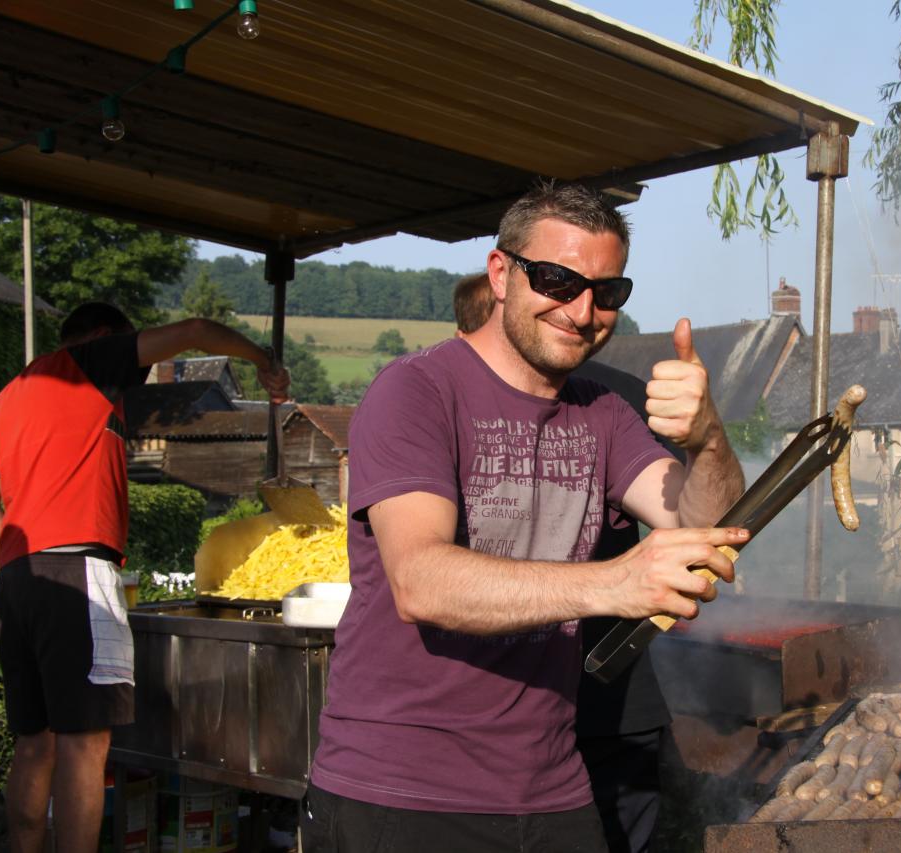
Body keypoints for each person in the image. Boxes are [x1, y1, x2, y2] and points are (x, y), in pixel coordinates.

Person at [304, 182, 746, 852]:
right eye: (557, 280)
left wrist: (708, 437)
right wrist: (613, 583)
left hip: (550, 787)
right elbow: (421, 581)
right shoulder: (415, 391)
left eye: (607, 292)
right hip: (398, 789)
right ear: (502, 273)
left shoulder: (601, 411)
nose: (582, 309)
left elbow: (704, 520)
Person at [0, 302, 290, 853]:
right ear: (103, 337)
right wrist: (264, 360)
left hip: (16, 577)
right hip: (77, 570)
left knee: (34, 743)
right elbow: (195, 331)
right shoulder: (85, 363)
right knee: (84, 745)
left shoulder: (5, 400)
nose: (140, 373)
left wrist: (25, 561)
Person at [452, 273, 677, 852]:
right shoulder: (432, 393)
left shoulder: (608, 401)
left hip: (579, 700)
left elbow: (698, 512)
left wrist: (707, 436)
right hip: (614, 699)